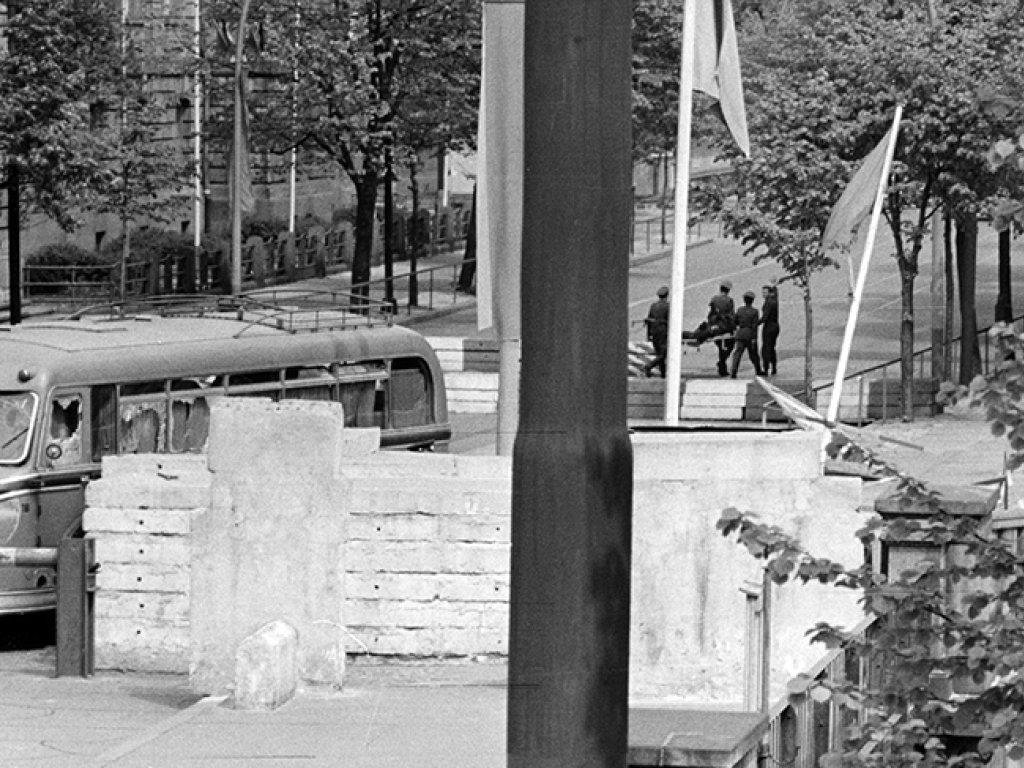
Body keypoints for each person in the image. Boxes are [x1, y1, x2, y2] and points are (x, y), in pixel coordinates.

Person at [730, 290, 763, 379]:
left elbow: (734, 322)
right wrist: (754, 338)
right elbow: (755, 326)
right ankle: (758, 370)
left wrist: (735, 329)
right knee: (753, 354)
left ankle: (733, 371)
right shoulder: (755, 311)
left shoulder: (740, 310)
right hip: (750, 334)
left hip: (740, 333)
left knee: (738, 353)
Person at [707, 280, 736, 377]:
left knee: (720, 347)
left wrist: (711, 325)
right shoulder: (729, 300)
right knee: (730, 344)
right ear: (728, 290)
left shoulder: (714, 299)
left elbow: (710, 314)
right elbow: (731, 316)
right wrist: (733, 328)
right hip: (725, 327)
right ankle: (721, 363)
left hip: (716, 327)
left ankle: (722, 367)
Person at [643, 286, 670, 378]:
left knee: (660, 353)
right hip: (663, 332)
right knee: (663, 354)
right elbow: (671, 320)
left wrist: (649, 334)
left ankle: (663, 374)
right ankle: (649, 366)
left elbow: (649, 320)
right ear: (667, 295)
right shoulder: (668, 306)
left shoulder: (653, 306)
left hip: (654, 332)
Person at [760, 283, 780, 376]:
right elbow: (776, 293)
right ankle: (774, 367)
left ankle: (766, 368)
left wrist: (756, 323)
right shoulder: (774, 300)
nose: (763, 294)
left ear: (769, 293)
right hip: (775, 326)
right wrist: (774, 286)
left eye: (764, 292)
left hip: (769, 326)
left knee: (766, 348)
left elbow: (765, 316)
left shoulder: (768, 302)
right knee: (772, 347)